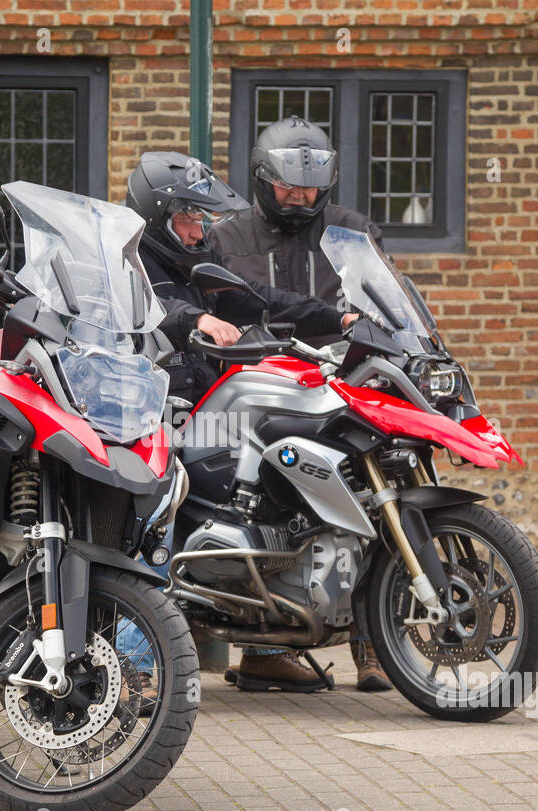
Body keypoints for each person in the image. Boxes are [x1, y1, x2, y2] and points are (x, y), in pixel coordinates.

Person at [125, 150, 356, 693]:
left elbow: (261, 301)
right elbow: (154, 311)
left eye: (201, 220)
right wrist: (198, 318)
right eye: (186, 219)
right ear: (157, 216)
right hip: (152, 417)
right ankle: (134, 662)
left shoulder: (195, 263)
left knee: (276, 479)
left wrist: (339, 317)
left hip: (207, 411)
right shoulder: (129, 264)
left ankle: (266, 645)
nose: (197, 230)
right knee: (160, 507)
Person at [209, 116, 394, 694]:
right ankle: (263, 647)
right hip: (261, 390)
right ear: (264, 179)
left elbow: (385, 300)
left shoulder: (351, 230)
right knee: (265, 506)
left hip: (344, 384)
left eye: (311, 187)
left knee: (376, 490)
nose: (300, 196)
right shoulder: (227, 236)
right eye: (289, 185)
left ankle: (375, 643)